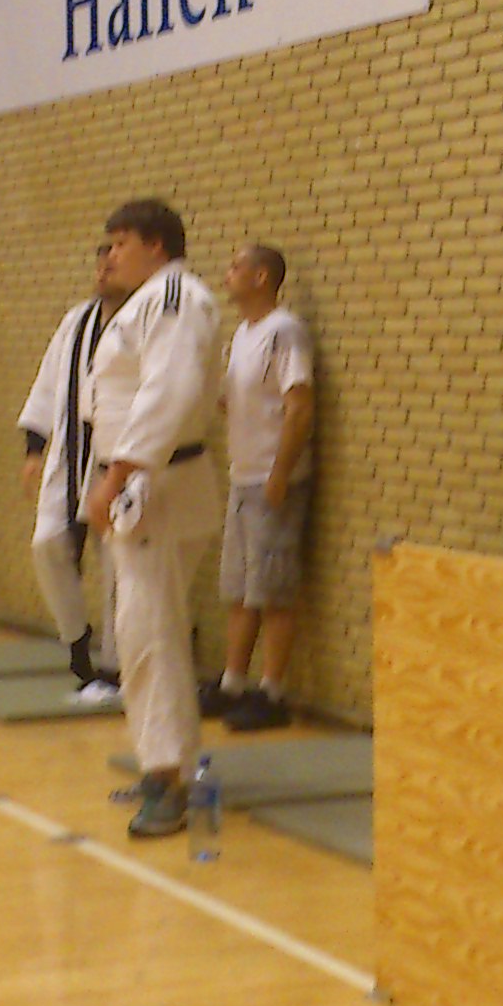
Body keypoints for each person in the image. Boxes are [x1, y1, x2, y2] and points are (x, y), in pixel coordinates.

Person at [81, 200, 221, 837]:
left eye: (120, 242)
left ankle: (167, 777)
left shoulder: (173, 297)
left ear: (157, 245)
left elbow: (172, 391)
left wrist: (116, 477)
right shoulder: (149, 303)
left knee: (146, 635)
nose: (110, 255)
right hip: (154, 482)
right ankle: (167, 763)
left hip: (155, 485)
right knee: (150, 629)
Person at [200, 243, 314, 730]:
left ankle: (273, 693)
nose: (227, 274)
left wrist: (281, 473)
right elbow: (232, 402)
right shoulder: (241, 336)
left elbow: (299, 406)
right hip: (242, 476)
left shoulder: (285, 331)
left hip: (273, 479)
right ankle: (233, 683)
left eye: (235, 267)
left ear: (261, 277)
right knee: (241, 588)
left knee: (274, 587)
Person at [20, 240, 123, 695]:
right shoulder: (76, 321)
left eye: (110, 266)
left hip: (116, 459)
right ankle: (77, 641)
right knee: (47, 545)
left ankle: (117, 664)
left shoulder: (140, 322)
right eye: (98, 266)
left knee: (119, 565)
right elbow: (46, 385)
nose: (102, 272)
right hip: (70, 454)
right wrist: (34, 448)